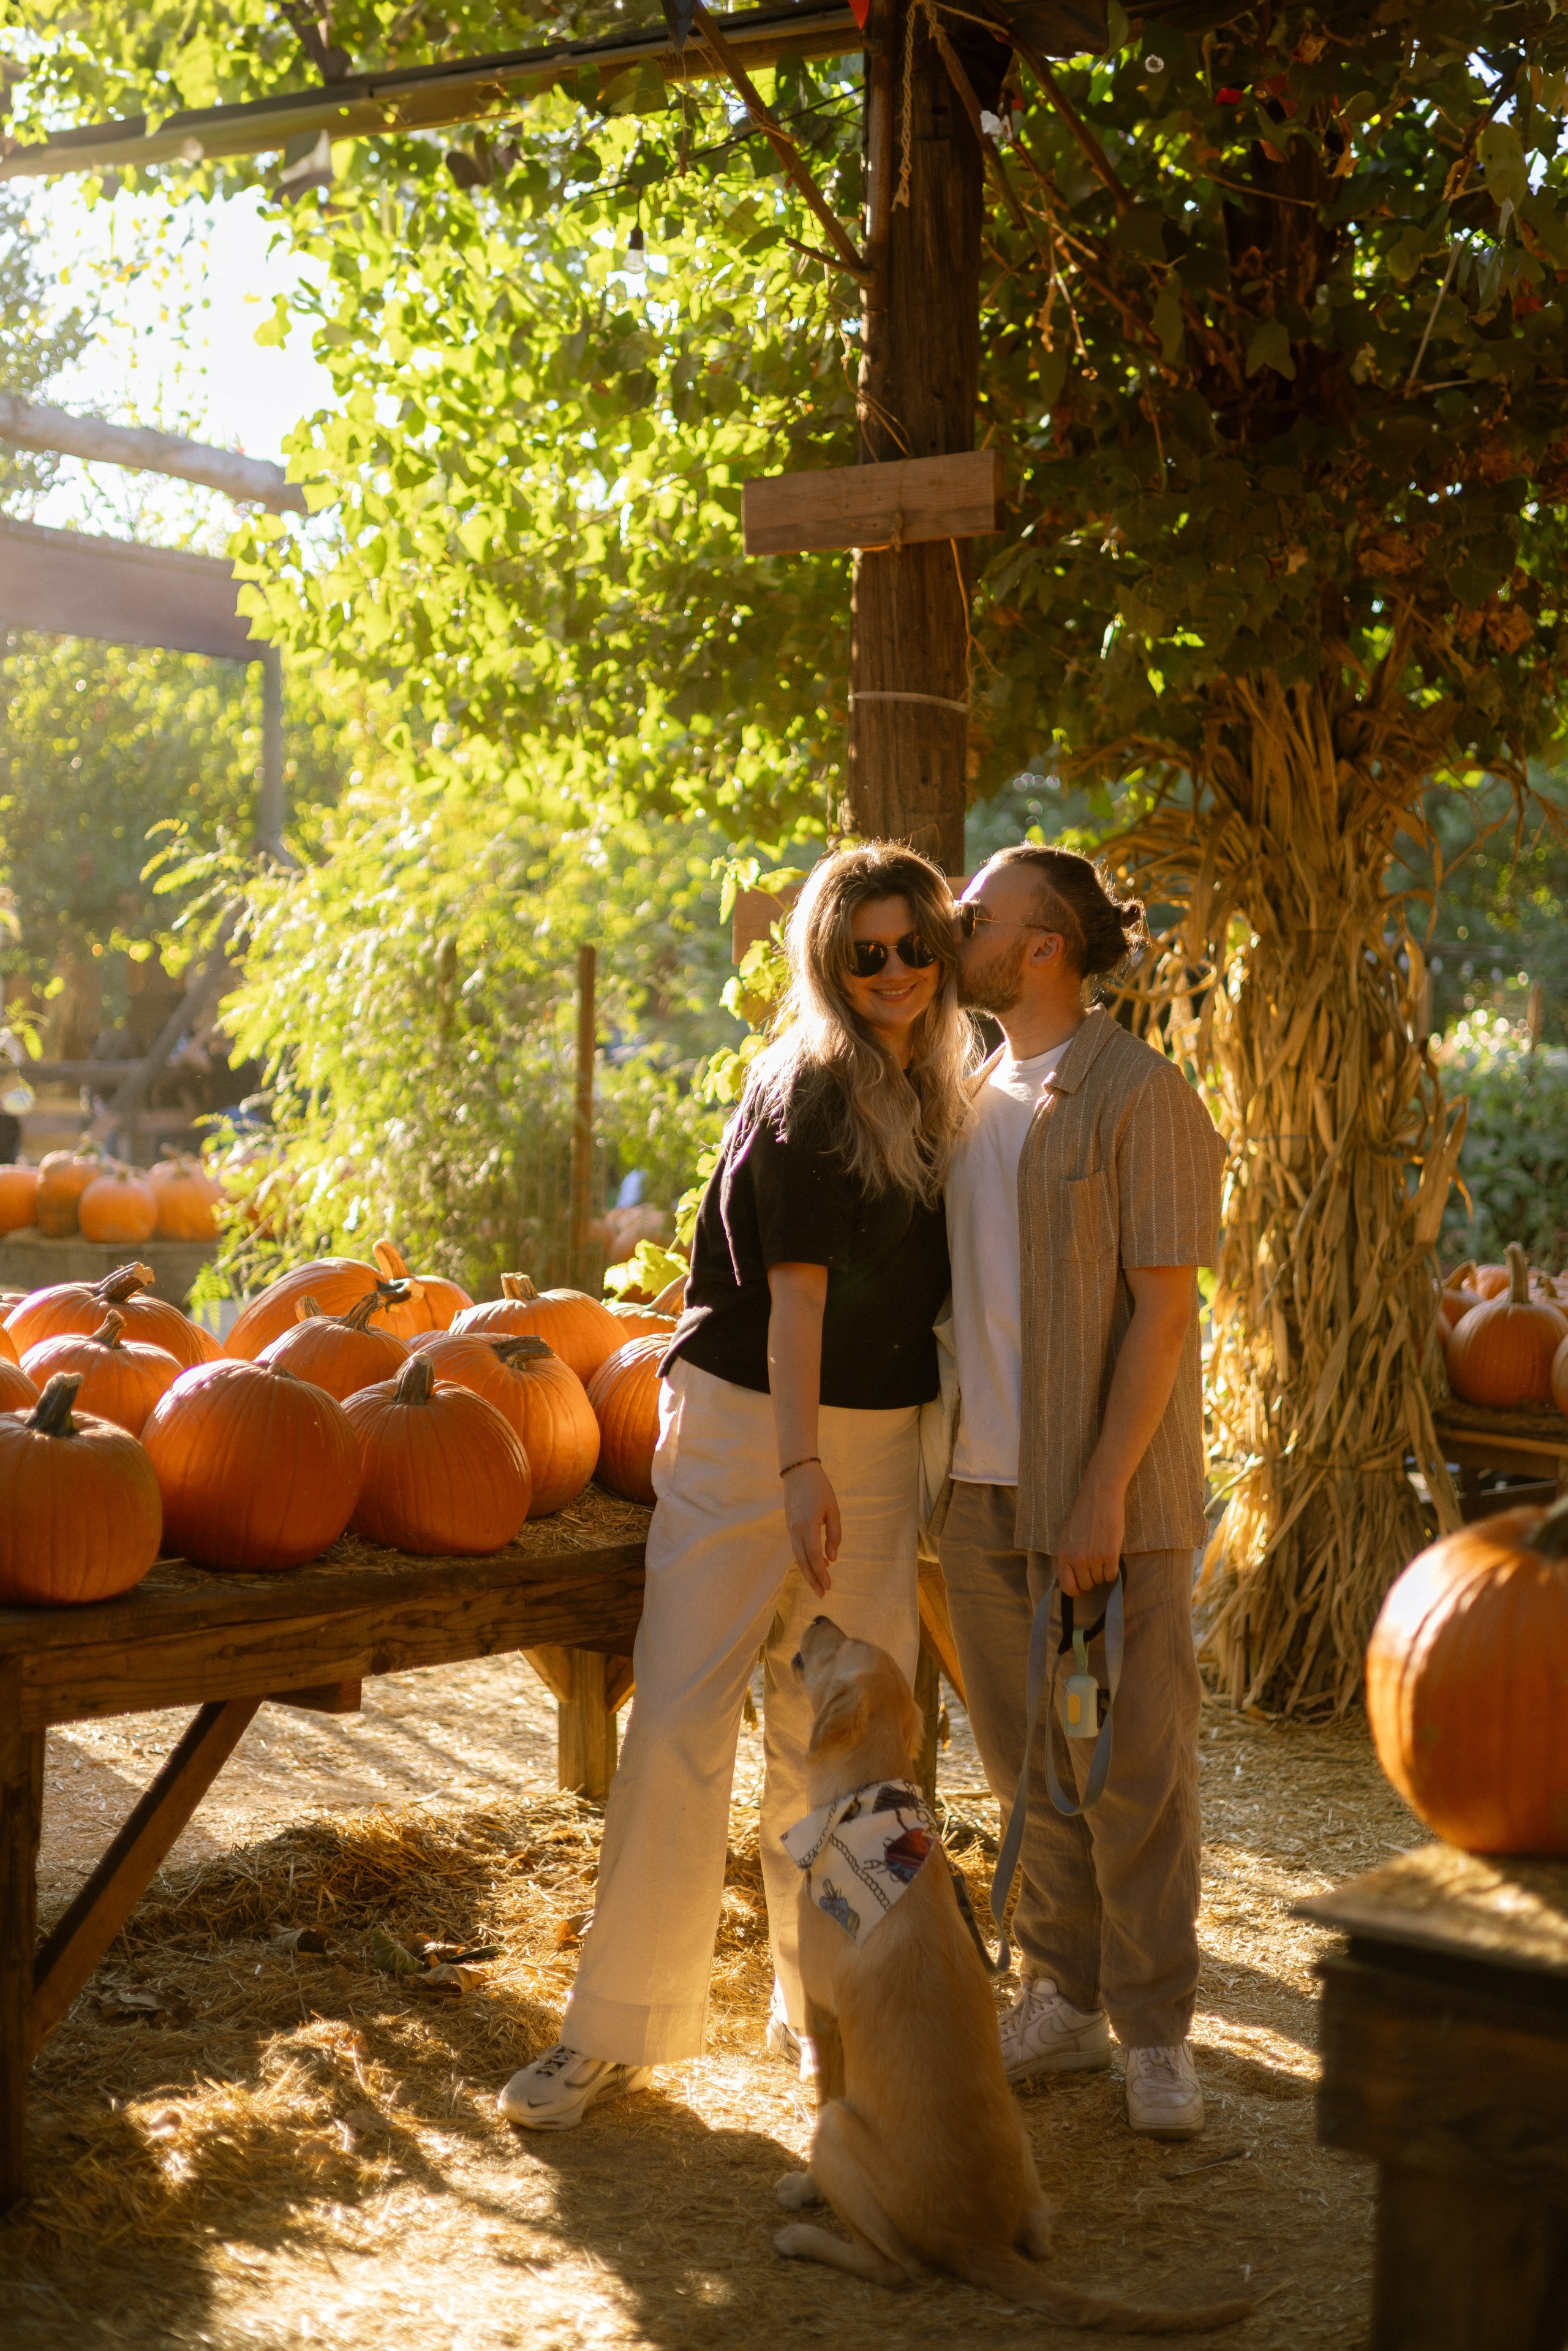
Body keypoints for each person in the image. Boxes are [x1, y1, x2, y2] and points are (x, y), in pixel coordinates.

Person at [499, 843, 973, 2130]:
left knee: (852, 1747)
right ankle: (611, 2030)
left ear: (941, 951)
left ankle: (834, 2009)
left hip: (870, 1439)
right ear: (827, 961)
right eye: (862, 951)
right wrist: (799, 1464)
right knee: (681, 1718)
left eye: (911, 946)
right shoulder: (811, 1087)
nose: (891, 971)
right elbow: (796, 1296)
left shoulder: (936, 1089)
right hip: (752, 1423)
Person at [938, 844, 1225, 2141]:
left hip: (1102, 1509)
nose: (954, 929)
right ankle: (1061, 1990)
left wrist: (1102, 1491)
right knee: (1026, 1762)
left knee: (1131, 1767)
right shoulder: (961, 1091)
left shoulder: (1138, 1094)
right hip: (983, 1495)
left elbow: (1164, 1313)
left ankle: (1157, 2029)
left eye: (973, 915)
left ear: (1042, 942)